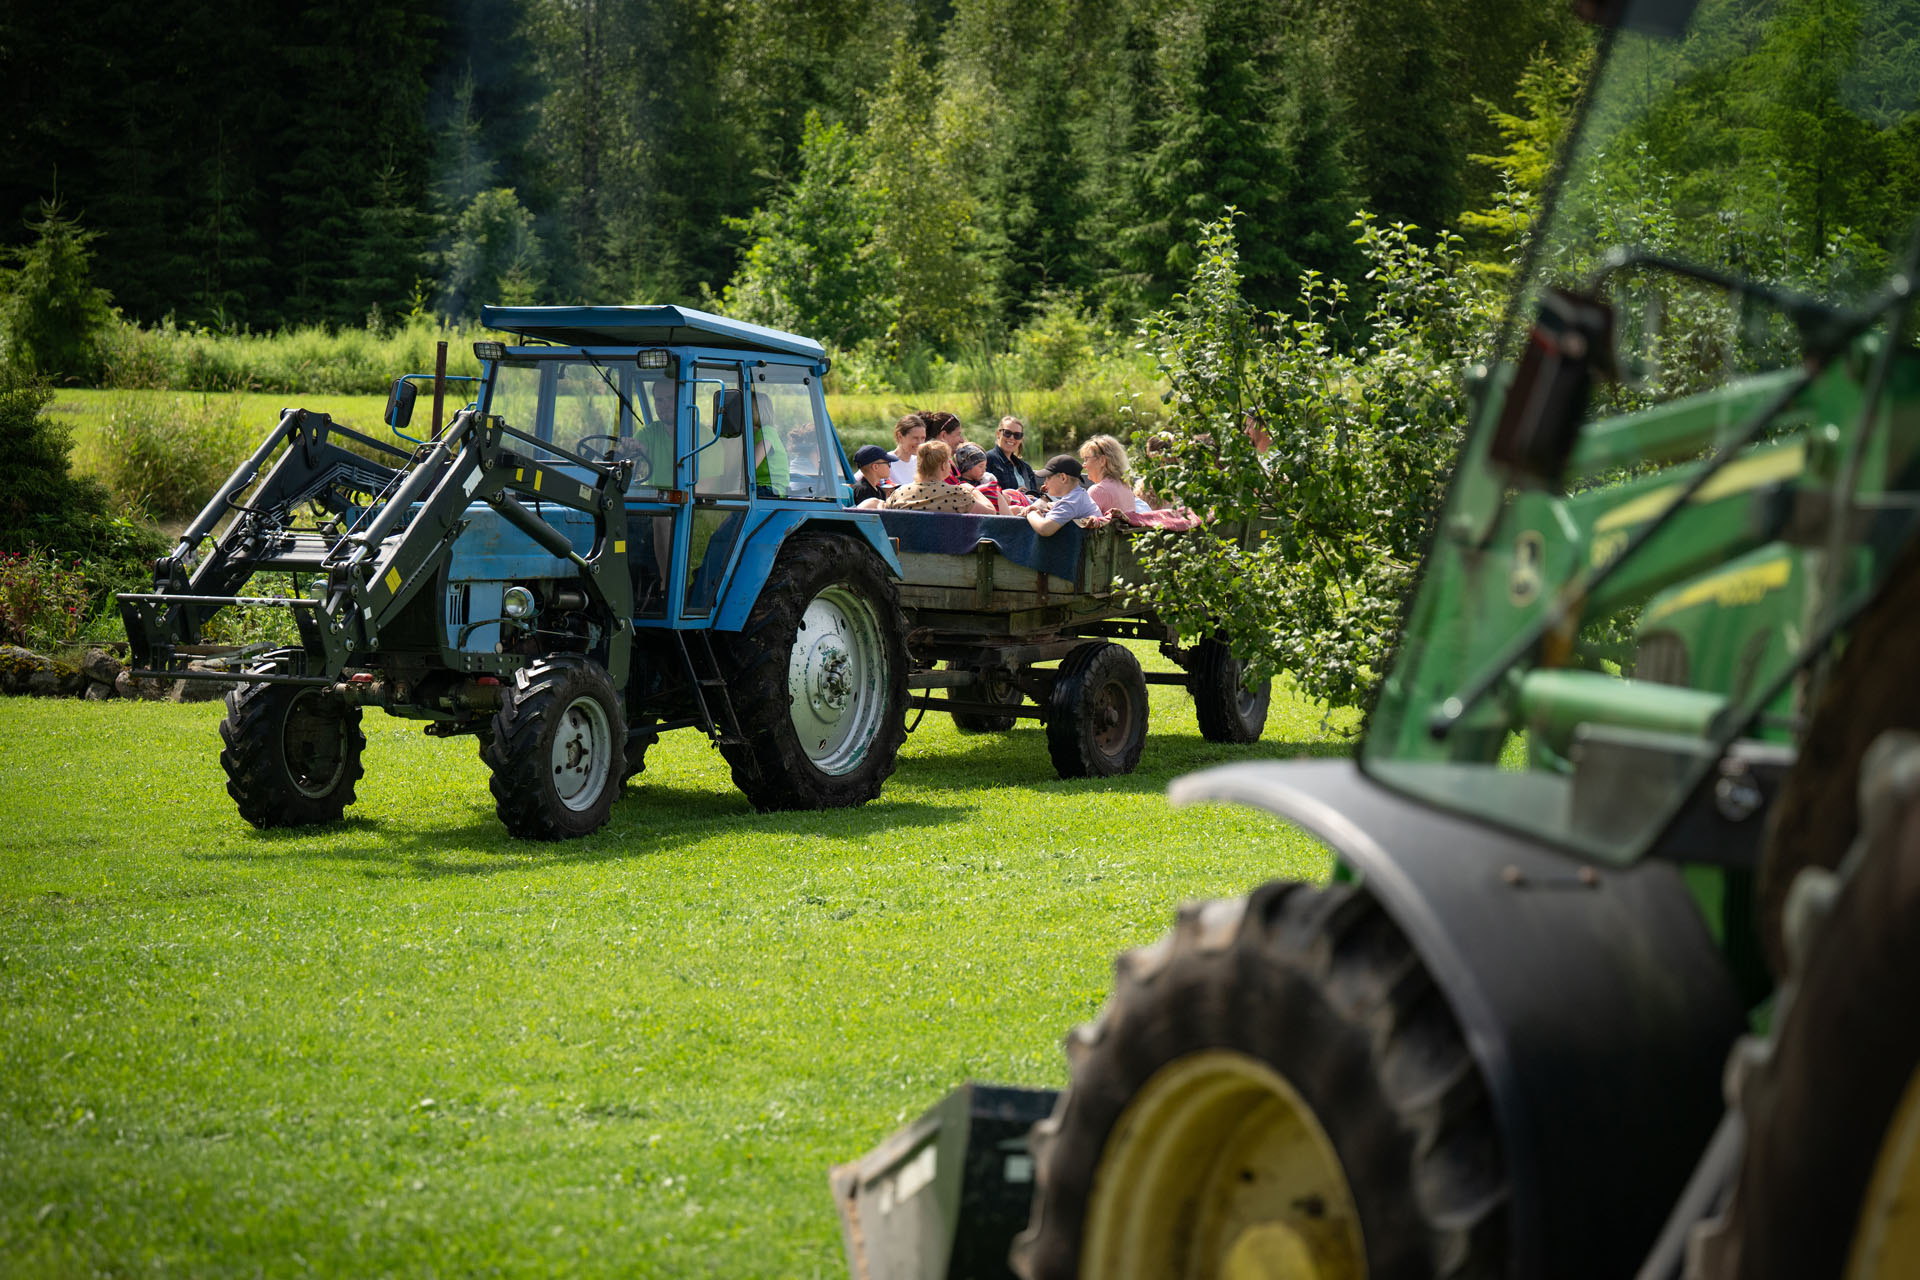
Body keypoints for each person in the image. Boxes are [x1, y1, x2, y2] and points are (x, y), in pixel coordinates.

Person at [884, 441, 1007, 514]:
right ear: (943, 465)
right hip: (948, 549)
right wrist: (972, 490)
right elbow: (990, 512)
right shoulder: (957, 494)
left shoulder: (898, 495)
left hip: (905, 549)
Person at [1025, 453, 1104, 536]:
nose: (1045, 482)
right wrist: (1057, 506)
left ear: (1063, 478)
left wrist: (1030, 512)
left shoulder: (1071, 502)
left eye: (1048, 477)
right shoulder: (1079, 495)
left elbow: (1044, 529)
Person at [1079, 433, 1146, 516]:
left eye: (1086, 459)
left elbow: (1084, 521)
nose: (1083, 465)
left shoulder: (1098, 491)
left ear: (1102, 460)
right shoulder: (1125, 486)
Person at [951, 442, 1028, 508]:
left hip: (1015, 498)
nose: (984, 470)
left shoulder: (985, 480)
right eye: (981, 466)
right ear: (967, 466)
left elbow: (1005, 499)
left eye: (985, 466)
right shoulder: (959, 486)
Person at [986, 416, 1039, 495]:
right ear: (998, 434)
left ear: (1021, 439)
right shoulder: (987, 459)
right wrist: (1013, 494)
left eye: (1017, 435)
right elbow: (984, 492)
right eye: (1007, 433)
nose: (1011, 438)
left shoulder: (1026, 467)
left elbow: (1034, 494)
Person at [889, 413, 927, 487]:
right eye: (915, 438)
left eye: (923, 438)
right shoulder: (886, 462)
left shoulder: (922, 462)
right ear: (900, 436)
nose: (920, 443)